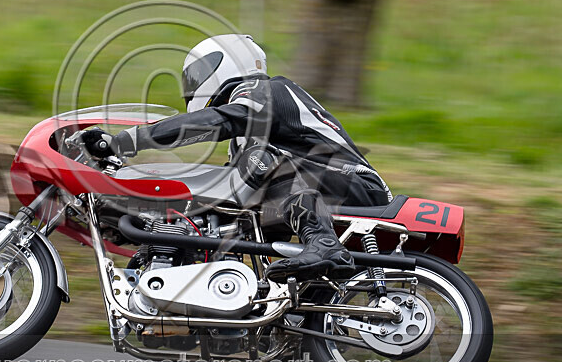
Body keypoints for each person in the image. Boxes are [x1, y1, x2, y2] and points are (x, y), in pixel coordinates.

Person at [82, 34, 392, 283]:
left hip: (357, 185)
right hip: (318, 188)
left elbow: (216, 121)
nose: (192, 87)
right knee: (231, 203)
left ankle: (323, 244)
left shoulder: (267, 90)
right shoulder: (248, 140)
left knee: (259, 162)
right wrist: (154, 225)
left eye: (197, 75)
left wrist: (125, 141)